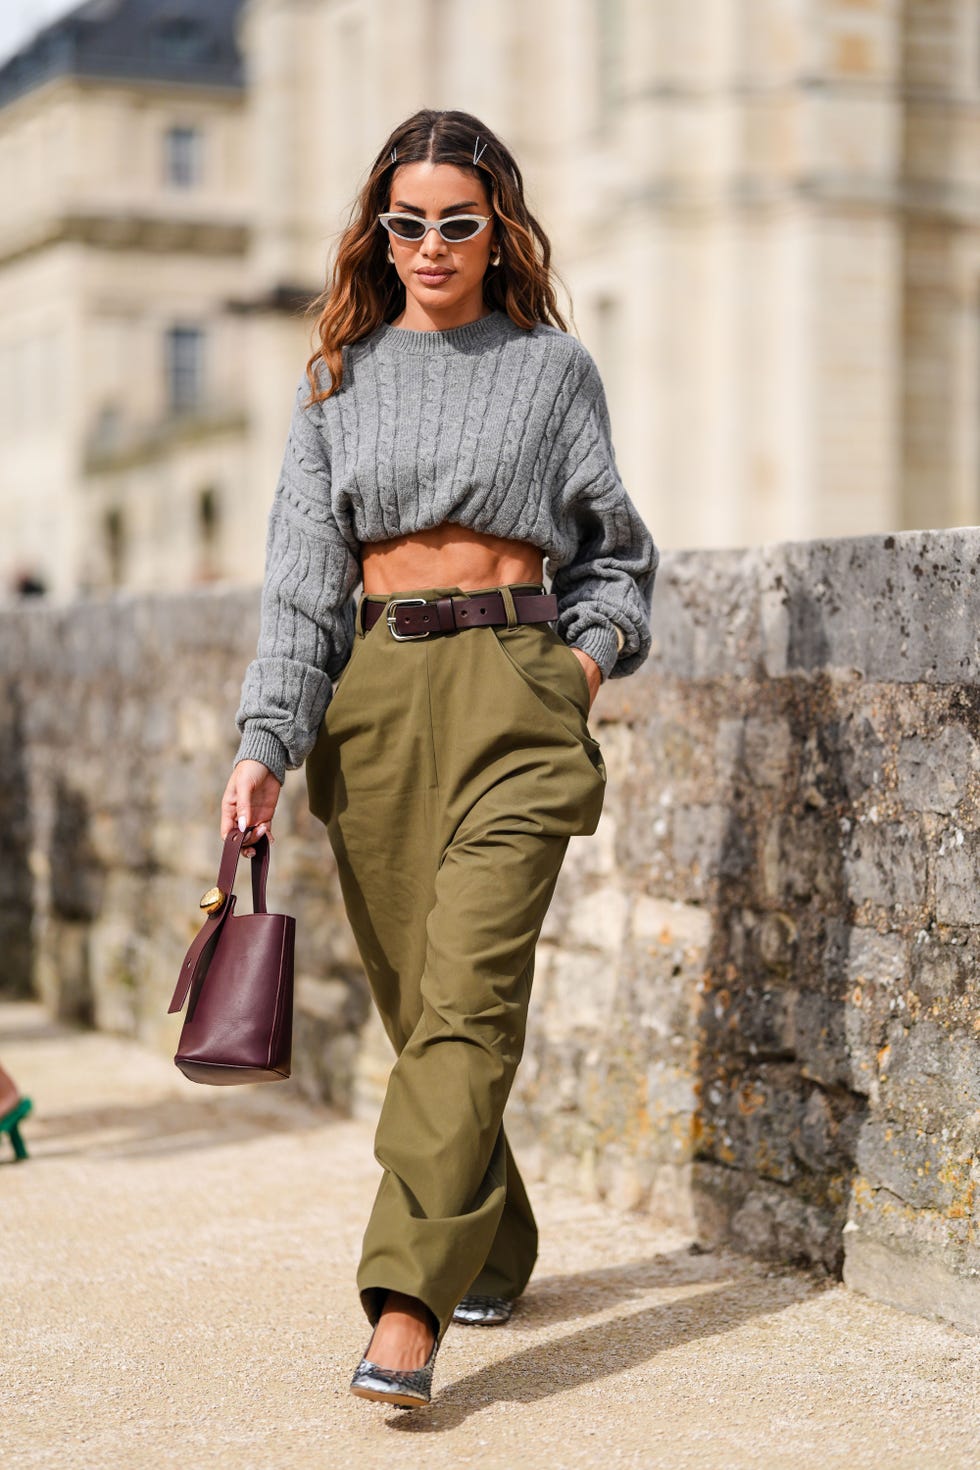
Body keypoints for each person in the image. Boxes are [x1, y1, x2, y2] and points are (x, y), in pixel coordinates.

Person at [220, 108, 658, 1409]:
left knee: (465, 1002)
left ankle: (405, 1306)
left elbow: (620, 557)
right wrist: (264, 745)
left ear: (496, 227)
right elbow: (300, 590)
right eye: (405, 222)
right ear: (380, 230)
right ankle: (493, 1241)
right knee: (429, 1014)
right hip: (377, 704)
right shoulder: (334, 383)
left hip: (517, 694)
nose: (429, 245)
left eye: (456, 222)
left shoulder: (552, 370)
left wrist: (578, 666)